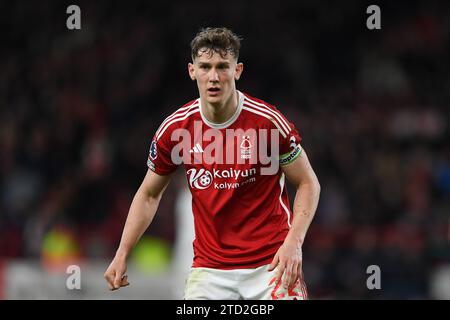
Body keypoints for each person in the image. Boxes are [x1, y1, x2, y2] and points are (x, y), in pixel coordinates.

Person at [104, 27, 321, 300]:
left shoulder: (267, 122)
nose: (214, 77)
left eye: (222, 67)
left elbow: (308, 182)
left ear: (237, 70)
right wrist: (123, 252)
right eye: (205, 67)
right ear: (192, 71)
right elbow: (148, 194)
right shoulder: (176, 129)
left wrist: (294, 243)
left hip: (271, 266)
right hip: (210, 272)